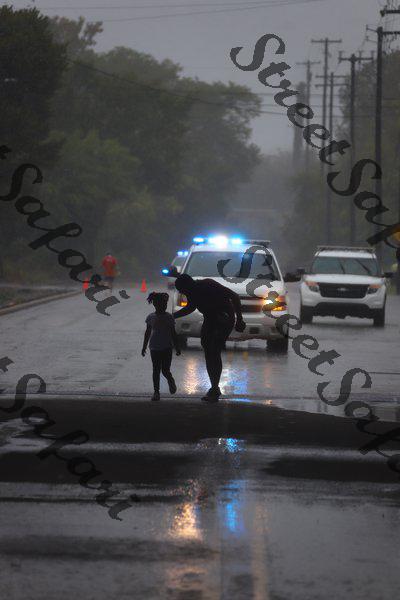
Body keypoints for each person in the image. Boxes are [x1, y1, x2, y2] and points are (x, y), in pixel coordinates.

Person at [174, 274, 246, 402]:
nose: (183, 293)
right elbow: (191, 307)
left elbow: (234, 296)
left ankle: (214, 387)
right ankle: (214, 387)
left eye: (183, 291)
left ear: (189, 285)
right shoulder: (191, 292)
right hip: (210, 319)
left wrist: (239, 319)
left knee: (214, 350)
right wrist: (173, 316)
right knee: (208, 350)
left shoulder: (208, 284)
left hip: (224, 318)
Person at [142, 292, 181, 401]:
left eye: (165, 304)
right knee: (156, 370)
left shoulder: (169, 317)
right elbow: (147, 333)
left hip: (167, 347)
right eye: (161, 304)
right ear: (155, 305)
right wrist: (144, 346)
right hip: (154, 347)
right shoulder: (151, 317)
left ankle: (170, 380)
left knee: (165, 370)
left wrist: (177, 347)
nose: (163, 306)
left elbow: (173, 333)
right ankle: (156, 392)